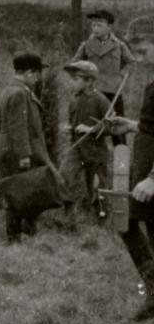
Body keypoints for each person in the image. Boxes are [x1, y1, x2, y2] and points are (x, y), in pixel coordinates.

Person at [106, 27, 154, 321]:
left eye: (143, 50)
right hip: (144, 170)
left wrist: (153, 178)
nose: (139, 58)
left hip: (151, 177)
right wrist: (133, 125)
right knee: (126, 223)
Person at [0, 52, 57, 244]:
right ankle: (15, 236)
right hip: (19, 150)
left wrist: (5, 138)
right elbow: (18, 126)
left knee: (18, 191)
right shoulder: (20, 93)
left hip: (10, 147)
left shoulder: (9, 90)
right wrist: (23, 154)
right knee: (22, 192)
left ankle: (19, 233)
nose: (38, 78)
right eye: (37, 74)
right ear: (29, 73)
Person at [58, 60, 111, 228]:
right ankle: (69, 218)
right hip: (76, 149)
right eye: (71, 79)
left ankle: (102, 221)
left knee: (97, 186)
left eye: (75, 79)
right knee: (64, 176)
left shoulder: (101, 100)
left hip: (95, 151)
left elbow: (112, 125)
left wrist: (91, 128)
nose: (71, 83)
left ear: (89, 81)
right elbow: (74, 124)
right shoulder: (74, 100)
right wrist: (70, 128)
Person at [72, 9, 134, 144]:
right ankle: (88, 154)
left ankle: (121, 161)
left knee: (117, 125)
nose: (95, 28)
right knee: (88, 124)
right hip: (92, 91)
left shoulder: (119, 45)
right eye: (93, 25)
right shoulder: (86, 45)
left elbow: (130, 62)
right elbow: (75, 64)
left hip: (113, 90)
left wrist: (121, 76)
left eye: (99, 25)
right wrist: (83, 78)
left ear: (108, 26)